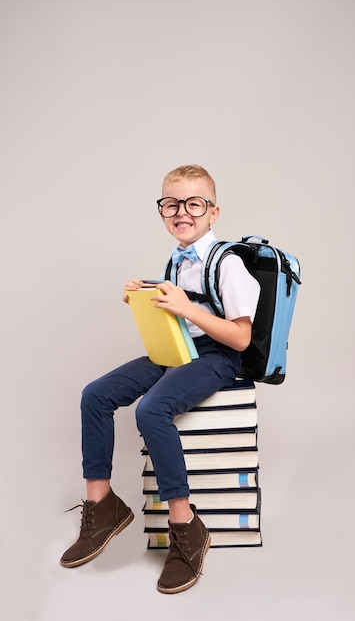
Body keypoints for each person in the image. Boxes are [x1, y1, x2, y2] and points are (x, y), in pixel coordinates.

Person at [60, 164, 260, 594]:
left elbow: (241, 338)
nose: (181, 212)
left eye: (193, 204)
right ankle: (103, 504)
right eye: (170, 204)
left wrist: (187, 308)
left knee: (153, 410)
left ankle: (185, 526)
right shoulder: (176, 259)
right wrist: (146, 297)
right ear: (162, 210)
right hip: (177, 350)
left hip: (218, 357)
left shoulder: (229, 265)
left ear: (213, 212)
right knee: (95, 395)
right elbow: (176, 320)